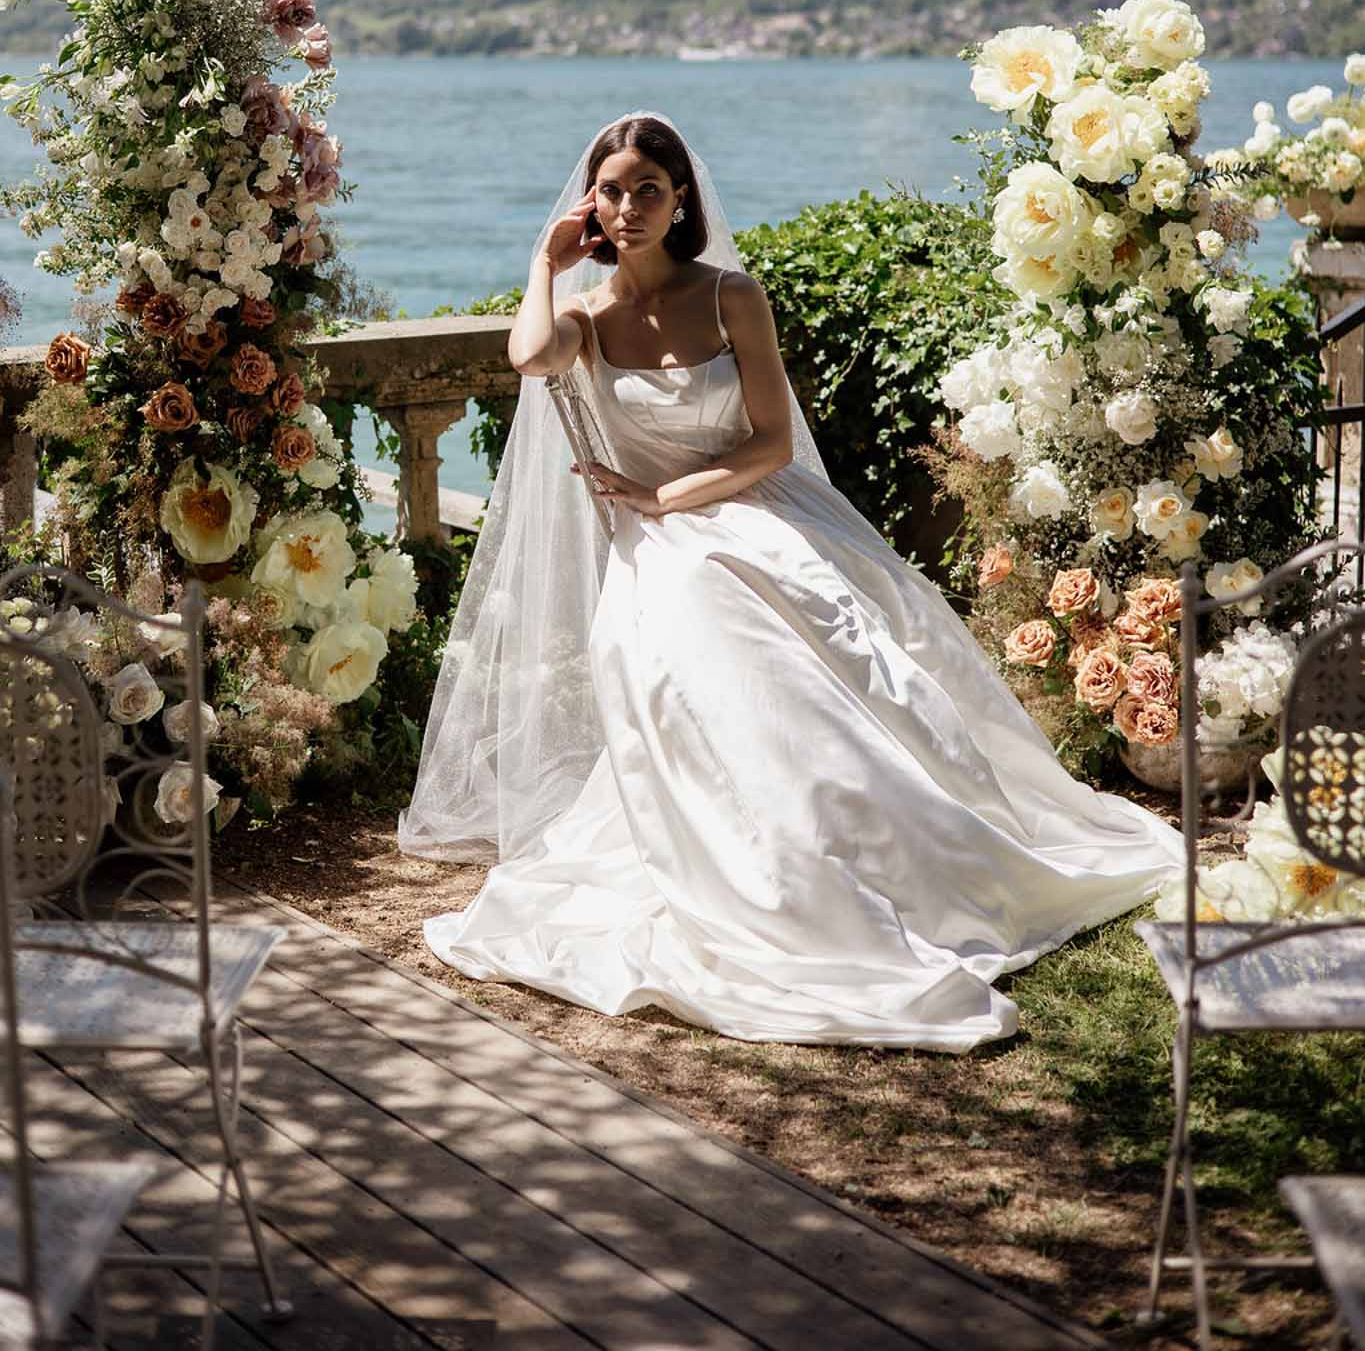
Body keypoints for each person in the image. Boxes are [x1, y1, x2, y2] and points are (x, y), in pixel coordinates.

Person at [399, 112, 1183, 1051]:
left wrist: (662, 494)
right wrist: (546, 263)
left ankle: (864, 857)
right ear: (591, 203)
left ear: (680, 196)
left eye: (649, 188)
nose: (630, 206)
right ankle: (750, 864)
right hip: (658, 548)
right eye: (612, 191)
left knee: (833, 663)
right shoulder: (586, 316)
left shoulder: (731, 294)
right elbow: (528, 359)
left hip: (744, 511)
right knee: (683, 622)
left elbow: (769, 443)